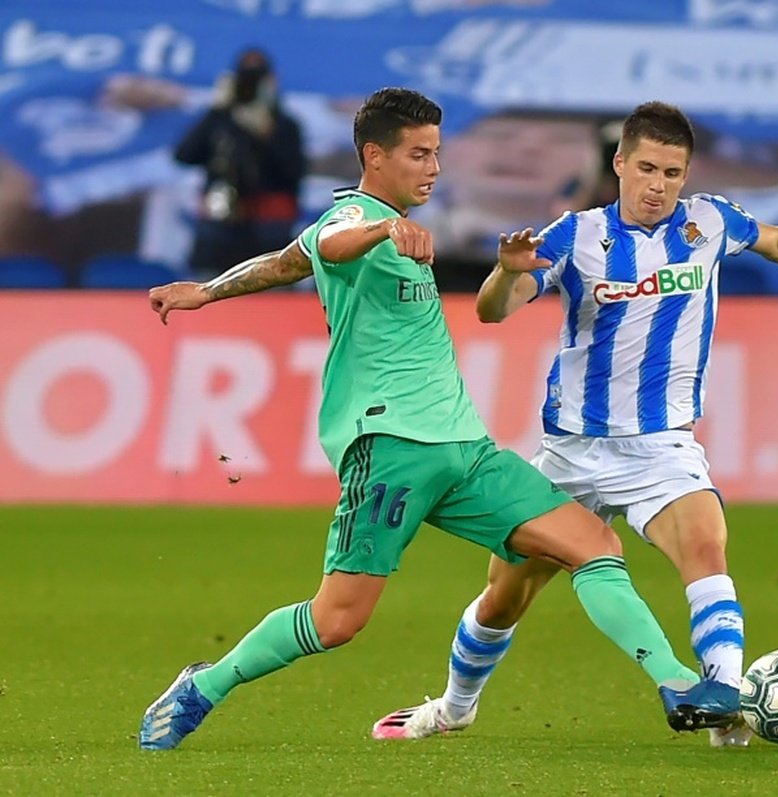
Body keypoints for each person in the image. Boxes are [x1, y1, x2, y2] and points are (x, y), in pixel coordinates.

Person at [137, 88, 728, 751]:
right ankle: (205, 684)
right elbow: (330, 246)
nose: (434, 168)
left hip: (464, 449)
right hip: (388, 448)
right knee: (336, 621)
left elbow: (284, 262)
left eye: (438, 153)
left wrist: (209, 290)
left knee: (593, 543)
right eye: (419, 154)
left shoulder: (385, 220)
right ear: (374, 156)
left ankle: (678, 683)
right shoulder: (357, 219)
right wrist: (383, 228)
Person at [370, 101, 778, 747]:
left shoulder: (709, 222)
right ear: (619, 164)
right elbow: (498, 312)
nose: (658, 184)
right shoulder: (575, 234)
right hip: (571, 452)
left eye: (672, 171)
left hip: (660, 447)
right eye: (646, 168)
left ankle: (721, 700)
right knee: (504, 596)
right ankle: (453, 706)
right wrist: (506, 272)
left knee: (705, 547)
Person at [173, 48, 306, 279]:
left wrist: (266, 133)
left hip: (268, 226)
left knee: (272, 296)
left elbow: (294, 172)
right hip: (219, 224)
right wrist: (216, 110)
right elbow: (184, 155)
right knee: (208, 286)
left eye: (258, 80)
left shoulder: (284, 125)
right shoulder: (220, 120)